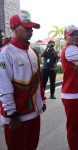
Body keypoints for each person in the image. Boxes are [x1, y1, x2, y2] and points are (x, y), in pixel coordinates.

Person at [0, 11, 46, 150]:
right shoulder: (5, 53)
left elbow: (38, 80)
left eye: (31, 28)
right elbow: (4, 86)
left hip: (34, 113)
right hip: (17, 117)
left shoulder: (32, 52)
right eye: (26, 28)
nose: (30, 31)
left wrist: (42, 100)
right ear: (14, 28)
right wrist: (12, 114)